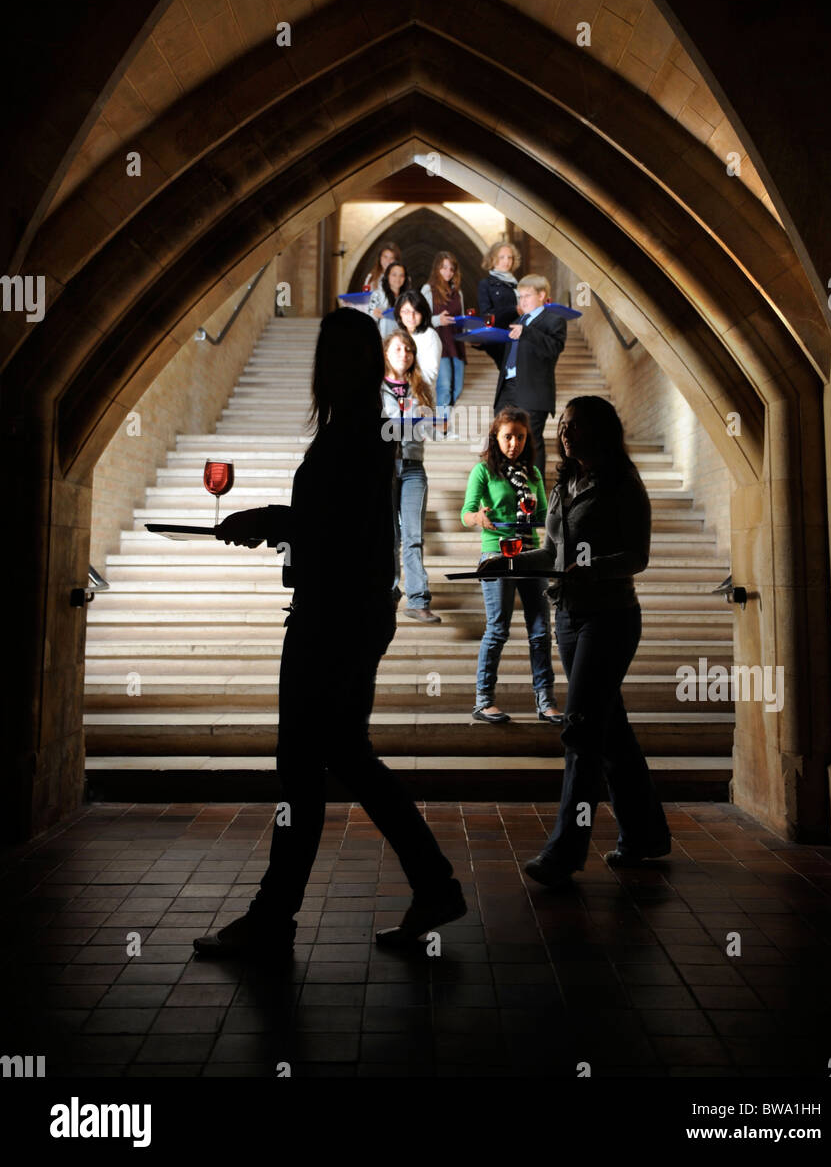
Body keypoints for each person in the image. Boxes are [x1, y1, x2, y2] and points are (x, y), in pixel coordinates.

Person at [192, 308, 465, 956]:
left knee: (303, 766)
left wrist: (272, 517)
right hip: (347, 611)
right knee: (341, 758)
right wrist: (281, 522)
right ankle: (429, 884)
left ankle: (274, 918)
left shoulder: (355, 434)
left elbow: (337, 532)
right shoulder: (358, 429)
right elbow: (336, 527)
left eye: (327, 352)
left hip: (332, 617)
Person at [487, 395, 671, 883]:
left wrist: (591, 568)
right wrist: (507, 563)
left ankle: (566, 851)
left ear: (601, 430)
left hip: (609, 619)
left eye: (576, 425)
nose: (565, 433)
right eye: (563, 425)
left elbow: (637, 556)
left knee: (581, 730)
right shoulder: (563, 483)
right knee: (612, 734)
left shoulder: (622, 484)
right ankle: (647, 835)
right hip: (568, 617)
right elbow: (550, 552)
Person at [461, 407, 561, 724]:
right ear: (496, 437)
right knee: (498, 629)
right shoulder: (483, 471)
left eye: (519, 436)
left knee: (540, 632)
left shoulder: (531, 473)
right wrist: (479, 517)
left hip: (531, 554)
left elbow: (547, 516)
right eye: (507, 436)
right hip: (497, 555)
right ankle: (483, 701)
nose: (513, 443)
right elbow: (466, 514)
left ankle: (546, 702)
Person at [382, 330, 441, 624]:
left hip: (414, 467)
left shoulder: (421, 387)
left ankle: (418, 600)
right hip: (384, 466)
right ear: (385, 353)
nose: (404, 354)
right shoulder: (375, 388)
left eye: (408, 350)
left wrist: (431, 420)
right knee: (389, 536)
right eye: (397, 349)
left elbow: (430, 431)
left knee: (413, 536)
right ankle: (389, 595)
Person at [493, 274, 566, 477]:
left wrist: (527, 332)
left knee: (531, 441)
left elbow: (553, 349)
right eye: (520, 296)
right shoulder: (516, 322)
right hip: (507, 388)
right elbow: (506, 358)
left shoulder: (554, 321)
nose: (522, 300)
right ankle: (506, 485)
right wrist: (482, 343)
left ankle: (536, 491)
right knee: (502, 437)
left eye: (527, 295)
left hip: (532, 391)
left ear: (542, 295)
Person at [421, 251, 465, 433]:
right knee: (444, 386)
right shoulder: (427, 290)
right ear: (437, 269)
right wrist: (439, 319)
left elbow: (461, 318)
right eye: (444, 267)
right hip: (438, 344)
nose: (448, 272)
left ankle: (442, 421)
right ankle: (441, 426)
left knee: (458, 387)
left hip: (456, 342)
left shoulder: (458, 292)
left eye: (451, 269)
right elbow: (421, 320)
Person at [477, 238, 522, 371]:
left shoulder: (517, 283)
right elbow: (487, 315)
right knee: (510, 378)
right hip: (500, 338)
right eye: (502, 257)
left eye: (510, 257)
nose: (507, 261)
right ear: (492, 259)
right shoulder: (486, 284)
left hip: (519, 335)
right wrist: (514, 310)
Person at [395, 288, 441, 391]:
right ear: (399, 313)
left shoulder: (430, 335)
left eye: (416, 311)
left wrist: (405, 382)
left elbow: (431, 373)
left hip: (420, 396)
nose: (411, 316)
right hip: (399, 394)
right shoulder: (398, 336)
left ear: (423, 313)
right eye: (406, 311)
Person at [367, 260, 409, 337]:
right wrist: (374, 314)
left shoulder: (407, 297)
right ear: (387, 276)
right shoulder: (377, 295)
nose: (398, 278)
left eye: (401, 275)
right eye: (394, 275)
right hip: (382, 338)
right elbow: (368, 319)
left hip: (402, 338)